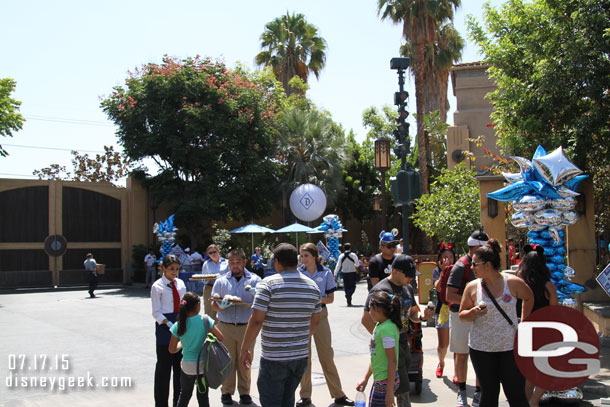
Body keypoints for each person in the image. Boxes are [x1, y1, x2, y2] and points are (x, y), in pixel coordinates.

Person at [239, 243, 322, 407]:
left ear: (276, 261)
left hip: (274, 358)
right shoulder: (312, 286)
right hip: (299, 357)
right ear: (297, 261)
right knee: (287, 399)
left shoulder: (268, 284)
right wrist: (301, 338)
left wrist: (245, 348)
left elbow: (256, 320)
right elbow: (315, 320)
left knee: (272, 401)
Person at [459, 239, 533, 407]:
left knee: (516, 395)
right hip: (481, 350)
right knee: (489, 395)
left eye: (475, 264)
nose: (471, 267)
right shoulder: (472, 287)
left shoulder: (512, 282)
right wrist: (473, 312)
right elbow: (462, 315)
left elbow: (529, 297)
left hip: (509, 349)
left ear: (488, 265)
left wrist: (524, 323)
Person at [361, 254, 433, 407]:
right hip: (392, 346)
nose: (411, 279)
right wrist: (384, 339)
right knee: (401, 390)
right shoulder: (380, 290)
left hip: (403, 344)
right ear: (395, 271)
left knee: (400, 384)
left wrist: (423, 316)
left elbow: (413, 312)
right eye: (408, 275)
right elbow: (366, 319)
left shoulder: (407, 288)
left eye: (413, 276)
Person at [297, 243, 354, 407]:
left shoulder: (326, 272)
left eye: (306, 255)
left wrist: (315, 298)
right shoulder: (298, 273)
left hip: (320, 315)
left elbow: (330, 299)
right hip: (303, 317)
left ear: (314, 256)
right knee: (304, 357)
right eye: (301, 256)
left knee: (326, 355)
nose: (303, 259)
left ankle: (338, 394)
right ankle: (305, 395)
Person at [211, 248, 261, 406]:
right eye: (232, 263)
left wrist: (256, 296)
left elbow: (261, 303)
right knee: (226, 360)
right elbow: (213, 302)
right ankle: (226, 391)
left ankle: (245, 392)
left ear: (244, 262)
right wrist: (221, 306)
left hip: (246, 326)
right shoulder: (221, 281)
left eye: (238, 262)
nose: (235, 266)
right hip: (225, 325)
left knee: (245, 360)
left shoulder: (254, 280)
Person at [446, 229, 488, 407]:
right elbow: (449, 295)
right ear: (475, 248)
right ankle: (461, 392)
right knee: (462, 355)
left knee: (481, 356)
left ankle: (478, 393)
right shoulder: (461, 266)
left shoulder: (487, 265)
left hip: (480, 316)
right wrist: (470, 302)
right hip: (461, 316)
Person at [516, 244, 558, 407]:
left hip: (526, 330)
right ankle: (534, 401)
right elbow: (554, 311)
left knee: (528, 371)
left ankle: (527, 402)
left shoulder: (519, 283)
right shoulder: (548, 286)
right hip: (545, 331)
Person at [169, 292, 224, 407]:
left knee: (184, 395)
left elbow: (172, 349)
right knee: (203, 397)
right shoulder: (205, 320)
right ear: (198, 304)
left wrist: (182, 344)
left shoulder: (178, 325)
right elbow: (221, 337)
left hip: (187, 366)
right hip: (203, 365)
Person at [151, 254, 187, 407]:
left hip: (180, 325)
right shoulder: (157, 286)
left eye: (177, 269)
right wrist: (168, 323)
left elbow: (185, 304)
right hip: (165, 327)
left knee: (180, 368)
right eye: (171, 269)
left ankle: (178, 403)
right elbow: (156, 312)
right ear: (163, 268)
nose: (175, 272)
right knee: (164, 369)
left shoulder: (180, 284)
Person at [357, 291, 401, 407]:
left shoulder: (387, 329)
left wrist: (389, 391)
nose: (369, 313)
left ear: (378, 310)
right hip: (381, 379)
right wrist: (366, 378)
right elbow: (377, 356)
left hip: (385, 381)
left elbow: (392, 360)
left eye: (370, 309)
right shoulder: (380, 326)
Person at [432, 244, 456, 380]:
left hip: (456, 308)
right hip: (442, 309)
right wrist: (443, 272)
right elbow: (439, 288)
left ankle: (458, 371)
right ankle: (441, 363)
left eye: (451, 257)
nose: (448, 260)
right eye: (445, 257)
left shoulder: (459, 270)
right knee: (443, 344)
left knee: (457, 343)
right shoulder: (436, 271)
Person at [201, 244, 229, 320]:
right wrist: (205, 281)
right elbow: (203, 277)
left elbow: (231, 276)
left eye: (214, 251)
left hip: (223, 289)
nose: (213, 254)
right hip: (210, 288)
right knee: (210, 312)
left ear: (218, 251)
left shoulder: (227, 262)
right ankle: (211, 330)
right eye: (210, 253)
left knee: (224, 309)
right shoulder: (206, 264)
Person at [334, 242, 360, 307]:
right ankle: (349, 295)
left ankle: (348, 300)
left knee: (346, 286)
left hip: (344, 273)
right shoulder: (353, 255)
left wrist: (335, 273)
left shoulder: (341, 256)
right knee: (352, 286)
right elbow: (357, 264)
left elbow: (338, 266)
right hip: (352, 272)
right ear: (350, 248)